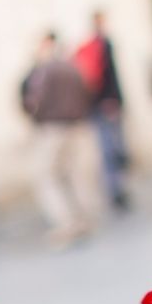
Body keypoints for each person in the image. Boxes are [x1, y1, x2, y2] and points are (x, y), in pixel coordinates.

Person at [20, 32, 103, 246]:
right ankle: (83, 218)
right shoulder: (74, 67)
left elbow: (34, 101)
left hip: (53, 127)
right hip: (76, 124)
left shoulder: (44, 71)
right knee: (75, 174)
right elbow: (88, 91)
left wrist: (36, 117)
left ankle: (65, 222)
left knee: (47, 176)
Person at [75, 11, 131, 210]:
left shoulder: (91, 46)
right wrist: (113, 100)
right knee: (113, 149)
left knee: (109, 148)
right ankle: (116, 190)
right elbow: (110, 78)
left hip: (96, 105)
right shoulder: (103, 45)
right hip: (106, 104)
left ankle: (115, 189)